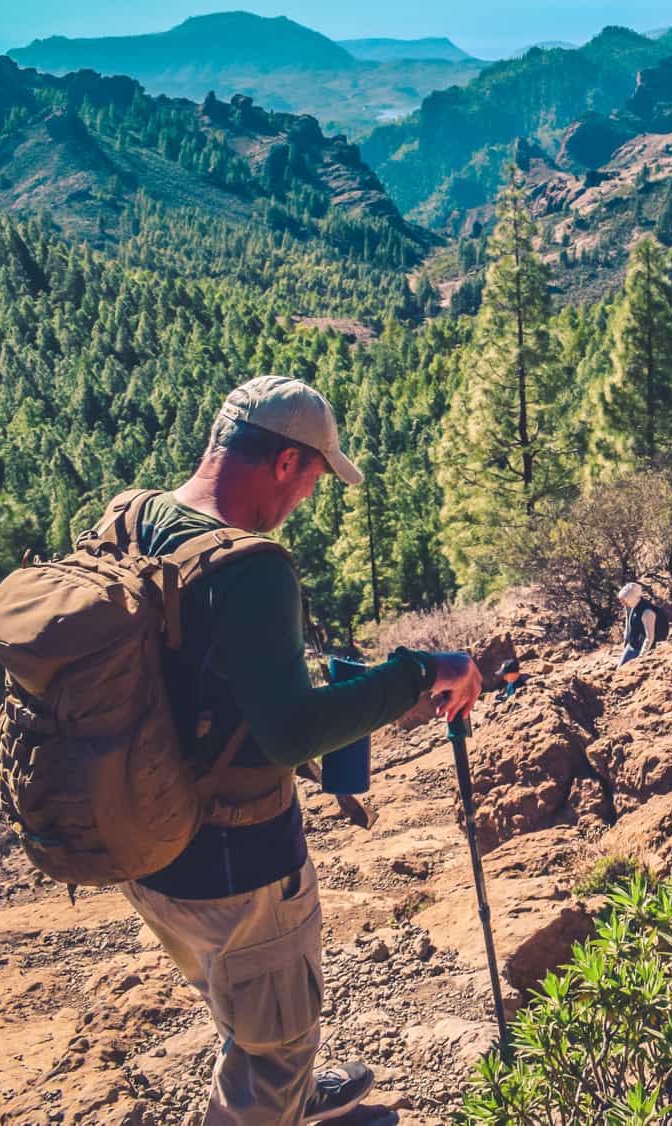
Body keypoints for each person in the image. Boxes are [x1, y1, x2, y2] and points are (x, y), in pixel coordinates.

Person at [119, 376, 480, 1125]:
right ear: (285, 463)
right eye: (315, 476)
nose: (310, 495)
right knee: (274, 1044)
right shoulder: (252, 568)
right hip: (236, 868)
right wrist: (415, 674)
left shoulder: (137, 514)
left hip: (143, 843)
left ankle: (278, 1085)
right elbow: (288, 734)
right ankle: (273, 1090)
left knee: (236, 1000)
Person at [618, 582, 665, 664]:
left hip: (641, 649)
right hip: (632, 645)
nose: (622, 603)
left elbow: (649, 637)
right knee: (619, 671)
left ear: (630, 598)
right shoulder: (631, 607)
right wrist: (626, 640)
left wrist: (641, 657)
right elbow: (628, 623)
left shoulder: (647, 612)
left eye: (623, 600)